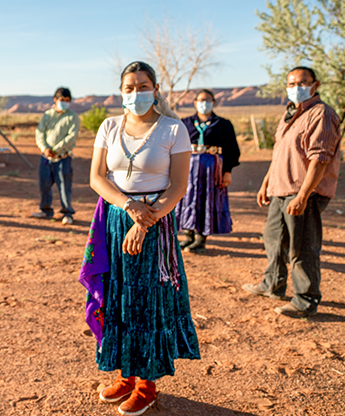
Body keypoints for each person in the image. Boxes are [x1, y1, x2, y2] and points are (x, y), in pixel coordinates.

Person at [80, 61, 200, 416]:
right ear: (122, 92)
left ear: (156, 89)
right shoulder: (109, 126)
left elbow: (178, 186)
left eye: (143, 86)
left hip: (156, 222)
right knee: (117, 296)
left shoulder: (173, 129)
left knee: (149, 300)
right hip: (115, 221)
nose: (136, 93)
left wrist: (144, 221)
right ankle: (126, 375)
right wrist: (130, 208)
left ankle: (147, 384)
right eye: (129, 88)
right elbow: (97, 178)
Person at [243, 66, 341, 318]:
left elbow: (319, 159)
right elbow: (280, 155)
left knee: (302, 248)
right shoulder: (289, 114)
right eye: (291, 83)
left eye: (302, 83)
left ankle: (305, 299)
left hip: (302, 192)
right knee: (273, 239)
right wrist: (267, 182)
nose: (296, 88)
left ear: (315, 85)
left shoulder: (321, 114)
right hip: (280, 189)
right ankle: (272, 284)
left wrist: (303, 195)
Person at [174, 89, 241, 253]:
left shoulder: (223, 124)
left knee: (207, 200)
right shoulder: (185, 123)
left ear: (214, 103)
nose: (204, 103)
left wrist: (227, 171)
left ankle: (201, 238)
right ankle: (188, 235)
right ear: (195, 103)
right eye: (201, 100)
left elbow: (232, 150)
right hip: (188, 168)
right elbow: (175, 146)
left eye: (208, 100)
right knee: (187, 198)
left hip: (212, 170)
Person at [32, 87, 80, 225]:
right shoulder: (48, 115)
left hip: (62, 158)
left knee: (64, 186)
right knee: (44, 185)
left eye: (67, 100)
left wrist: (55, 149)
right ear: (55, 99)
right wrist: (45, 148)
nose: (64, 102)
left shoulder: (72, 117)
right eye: (61, 99)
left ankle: (67, 213)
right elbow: (40, 132)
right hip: (46, 158)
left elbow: (71, 137)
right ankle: (46, 210)